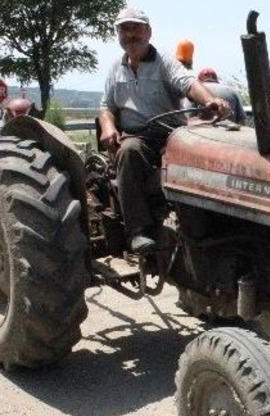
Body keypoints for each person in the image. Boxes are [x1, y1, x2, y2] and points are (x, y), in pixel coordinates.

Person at [98, 6, 231, 254]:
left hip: (170, 134)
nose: (130, 35)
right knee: (129, 151)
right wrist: (108, 127)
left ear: (148, 31)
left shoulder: (164, 62)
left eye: (136, 28)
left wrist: (208, 101)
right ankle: (138, 231)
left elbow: (188, 83)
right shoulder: (116, 67)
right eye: (124, 29)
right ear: (118, 35)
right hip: (137, 136)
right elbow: (106, 106)